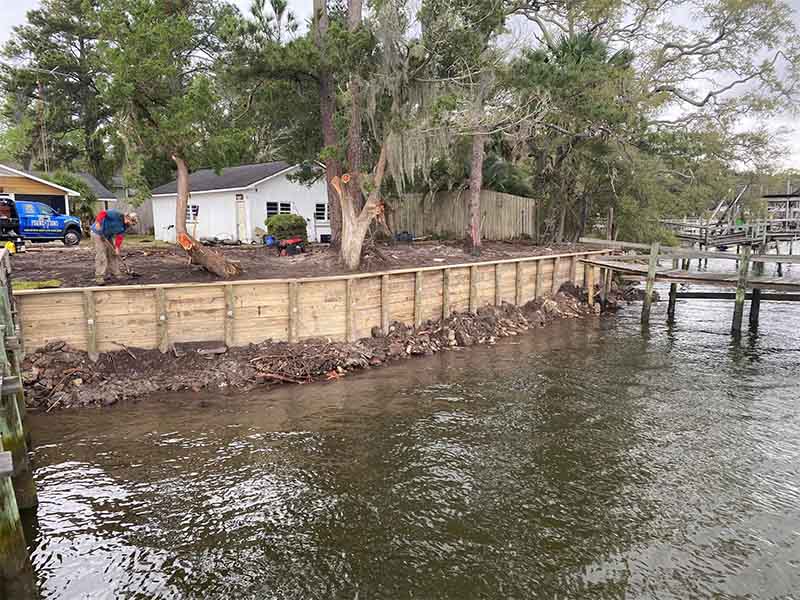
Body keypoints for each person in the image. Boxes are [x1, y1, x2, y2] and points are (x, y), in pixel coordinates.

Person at [91, 210, 138, 284]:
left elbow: (119, 237)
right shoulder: (116, 214)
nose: (129, 224)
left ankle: (116, 273)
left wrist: (117, 248)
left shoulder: (125, 226)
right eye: (130, 221)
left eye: (131, 223)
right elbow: (102, 213)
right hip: (97, 233)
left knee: (113, 254)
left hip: (107, 235)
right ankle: (99, 277)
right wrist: (98, 223)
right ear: (127, 217)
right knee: (101, 255)